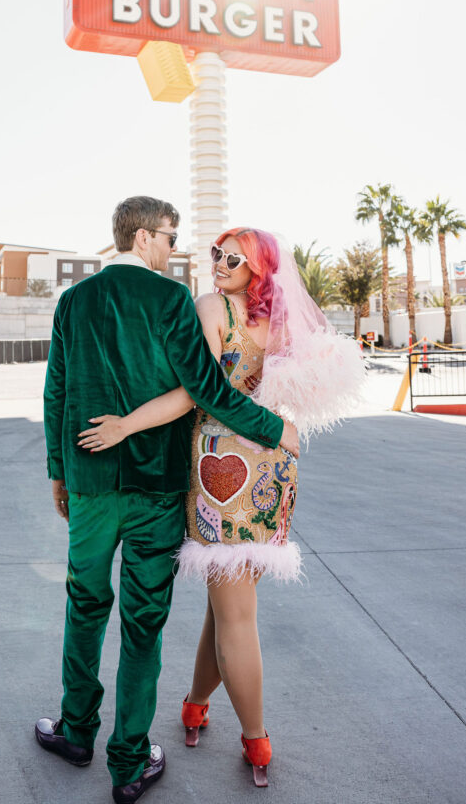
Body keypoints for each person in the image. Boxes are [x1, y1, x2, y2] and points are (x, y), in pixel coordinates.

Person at [80, 227, 365, 788]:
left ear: (258, 267)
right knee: (227, 601)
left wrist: (126, 425)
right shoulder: (278, 321)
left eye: (234, 258)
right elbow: (295, 385)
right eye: (216, 254)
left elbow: (198, 390)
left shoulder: (212, 307)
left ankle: (256, 739)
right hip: (273, 468)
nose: (219, 263)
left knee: (235, 613)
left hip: (219, 470)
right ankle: (194, 705)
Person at [36, 199, 299, 804]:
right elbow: (204, 387)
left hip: (90, 480)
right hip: (156, 486)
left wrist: (59, 473)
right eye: (172, 237)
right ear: (146, 235)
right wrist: (271, 429)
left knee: (85, 604)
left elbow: (56, 390)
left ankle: (76, 731)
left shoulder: (73, 302)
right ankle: (129, 763)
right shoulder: (170, 300)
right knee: (143, 620)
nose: (175, 249)